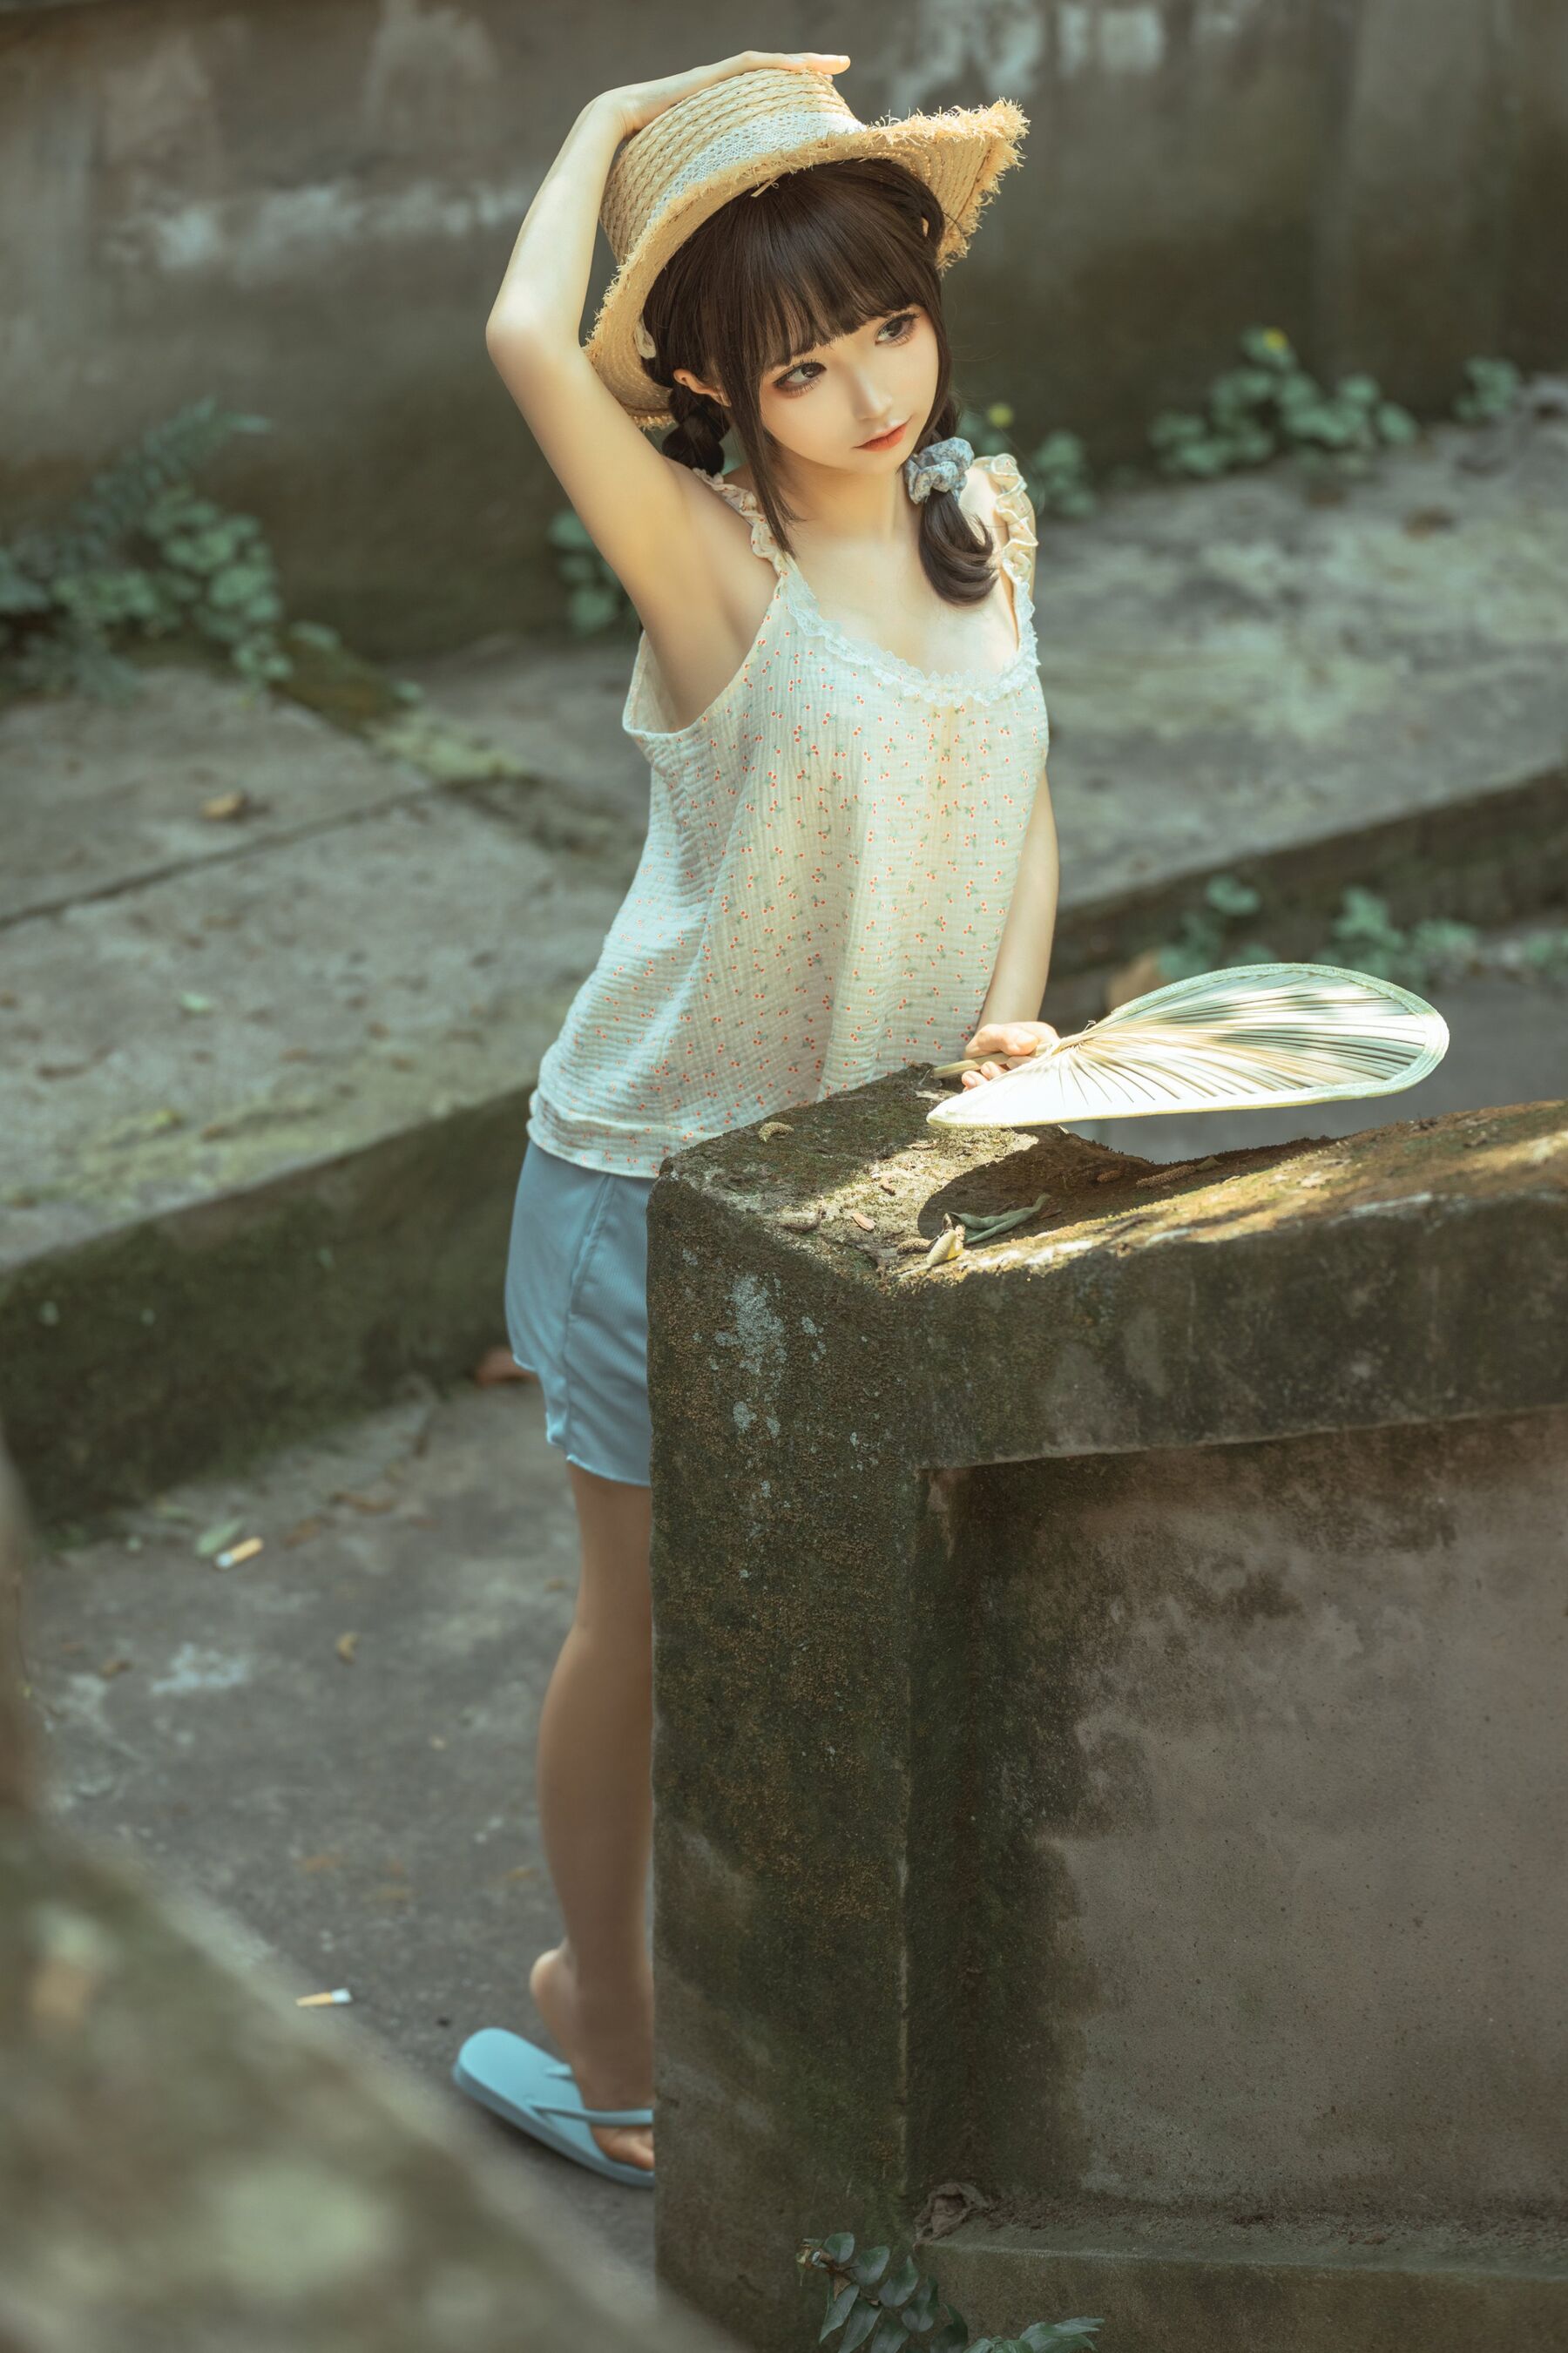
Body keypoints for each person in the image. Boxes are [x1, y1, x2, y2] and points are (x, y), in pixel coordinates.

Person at [451, 50, 1060, 2188]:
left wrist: (1011, 1012)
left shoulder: (980, 520)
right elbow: (526, 337)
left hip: (865, 1176)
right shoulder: (717, 567)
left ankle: (749, 2000)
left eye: (891, 324)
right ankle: (608, 2034)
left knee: (834, 1596)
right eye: (802, 364)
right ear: (716, 382)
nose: (872, 391)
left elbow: (1025, 796)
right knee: (643, 1628)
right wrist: (610, 118)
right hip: (652, 1178)